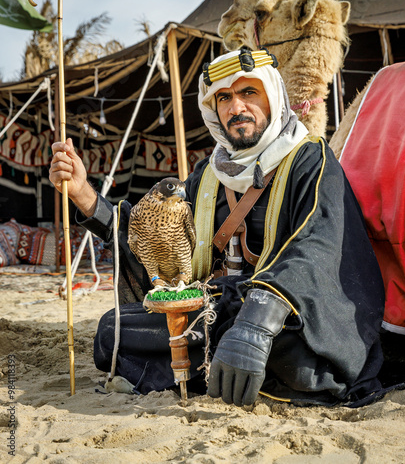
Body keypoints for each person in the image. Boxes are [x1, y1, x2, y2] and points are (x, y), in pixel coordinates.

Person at [49, 48, 386, 407]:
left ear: (273, 97)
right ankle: (217, 363)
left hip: (287, 317)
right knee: (113, 330)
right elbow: (155, 234)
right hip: (215, 312)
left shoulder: (310, 158)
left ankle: (208, 364)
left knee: (302, 361)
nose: (236, 107)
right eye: (224, 98)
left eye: (248, 94)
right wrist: (83, 193)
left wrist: (255, 325)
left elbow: (318, 246)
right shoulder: (207, 176)